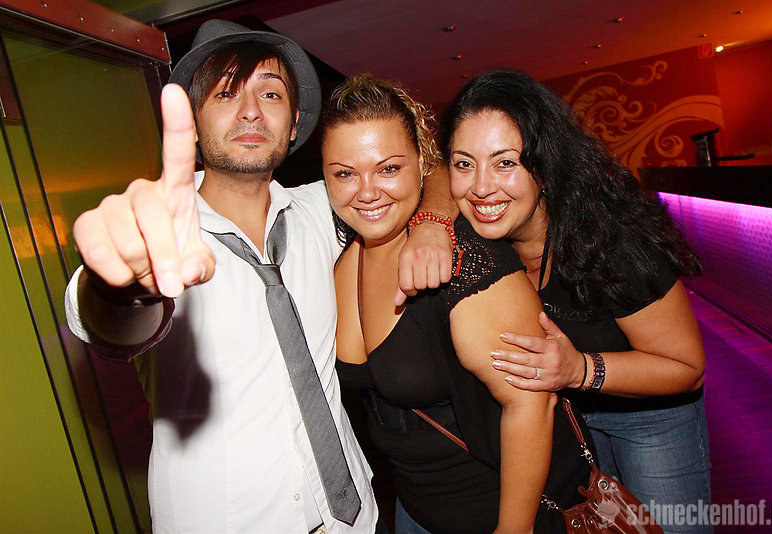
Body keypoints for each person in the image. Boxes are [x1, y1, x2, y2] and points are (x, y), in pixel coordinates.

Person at [64, 20, 454, 534]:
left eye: (270, 93)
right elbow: (105, 323)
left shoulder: (324, 209)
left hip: (355, 518)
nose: (250, 110)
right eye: (226, 92)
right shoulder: (160, 234)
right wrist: (125, 286)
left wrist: (433, 223)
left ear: (293, 125)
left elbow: (425, 169)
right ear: (193, 122)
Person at [439, 69, 709, 534]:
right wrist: (429, 224)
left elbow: (687, 367)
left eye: (506, 163)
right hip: (566, 420)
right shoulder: (474, 239)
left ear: (545, 166)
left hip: (649, 417)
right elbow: (422, 179)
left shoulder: (612, 240)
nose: (481, 187)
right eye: (464, 164)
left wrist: (579, 369)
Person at [322, 74, 591, 534]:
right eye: (345, 173)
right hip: (413, 510)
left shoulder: (467, 262)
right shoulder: (345, 257)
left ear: (421, 164)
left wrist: (515, 529)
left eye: (388, 169)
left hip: (494, 514)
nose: (366, 192)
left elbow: (531, 404)